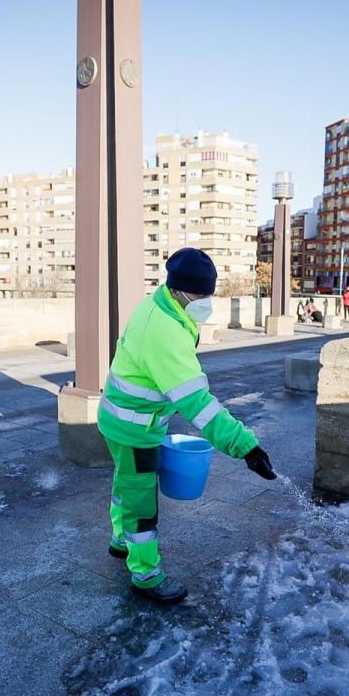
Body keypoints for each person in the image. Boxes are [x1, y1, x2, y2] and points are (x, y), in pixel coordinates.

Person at [97, 248, 277, 604]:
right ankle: (145, 575)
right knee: (141, 503)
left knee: (124, 483)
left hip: (122, 420)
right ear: (178, 289)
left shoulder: (160, 305)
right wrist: (246, 447)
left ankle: (120, 540)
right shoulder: (164, 331)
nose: (205, 302)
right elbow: (198, 404)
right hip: (135, 430)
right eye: (200, 295)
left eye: (209, 294)